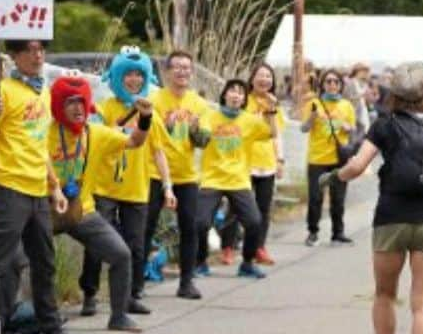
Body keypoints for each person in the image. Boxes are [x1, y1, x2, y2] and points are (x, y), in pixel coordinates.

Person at [320, 62, 423, 334]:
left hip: (391, 215)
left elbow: (357, 166)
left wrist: (334, 177)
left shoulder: (384, 126)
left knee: (385, 293)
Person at [0, 40, 89, 334]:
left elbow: (39, 146)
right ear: (14, 56)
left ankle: (50, 332)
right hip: (9, 187)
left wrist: (53, 186)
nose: (38, 55)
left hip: (38, 189)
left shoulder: (40, 91)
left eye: (42, 50)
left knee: (44, 262)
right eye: (30, 50)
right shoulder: (2, 92)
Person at [48, 74, 151, 333]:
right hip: (44, 208)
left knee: (121, 254)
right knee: (18, 260)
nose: (77, 108)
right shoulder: (44, 132)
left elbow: (134, 141)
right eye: (70, 102)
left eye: (82, 102)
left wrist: (146, 118)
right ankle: (9, 320)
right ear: (58, 106)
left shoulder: (97, 133)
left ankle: (118, 316)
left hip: (82, 209)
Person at [79, 47, 177, 317]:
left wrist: (168, 186)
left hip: (136, 187)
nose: (133, 80)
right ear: (118, 76)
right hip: (104, 186)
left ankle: (132, 294)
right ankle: (89, 293)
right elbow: (95, 138)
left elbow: (158, 151)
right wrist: (123, 121)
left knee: (136, 244)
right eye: (128, 75)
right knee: (98, 242)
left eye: (138, 75)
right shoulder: (105, 108)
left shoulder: (150, 113)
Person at [195, 79, 277, 279]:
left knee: (254, 222)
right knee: (201, 223)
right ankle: (200, 262)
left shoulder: (250, 120)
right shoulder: (210, 116)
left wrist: (271, 111)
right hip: (212, 178)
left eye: (240, 93)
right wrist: (195, 128)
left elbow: (271, 133)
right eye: (232, 91)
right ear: (224, 95)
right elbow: (202, 138)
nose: (236, 95)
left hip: (239, 180)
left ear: (244, 99)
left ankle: (247, 264)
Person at [145, 50, 210, 300]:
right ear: (167, 71)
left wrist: (195, 129)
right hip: (153, 173)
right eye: (177, 67)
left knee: (189, 228)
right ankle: (135, 285)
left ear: (191, 72)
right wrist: (169, 123)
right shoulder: (155, 99)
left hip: (186, 175)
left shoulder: (199, 104)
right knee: (146, 227)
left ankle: (186, 282)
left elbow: (203, 141)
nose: (182, 72)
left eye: (187, 68)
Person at [301, 69, 356, 247]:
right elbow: (304, 128)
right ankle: (313, 232)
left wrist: (348, 128)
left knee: (338, 198)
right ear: (322, 84)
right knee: (315, 197)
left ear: (341, 85)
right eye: (328, 81)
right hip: (317, 159)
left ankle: (338, 232)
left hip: (339, 159)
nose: (332, 85)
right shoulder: (314, 104)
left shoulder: (346, 105)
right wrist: (312, 117)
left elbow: (353, 129)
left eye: (336, 82)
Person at [245, 63, 285, 265]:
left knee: (263, 208)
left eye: (268, 76)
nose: (264, 79)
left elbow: (277, 136)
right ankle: (228, 246)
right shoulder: (243, 100)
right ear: (252, 78)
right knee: (238, 208)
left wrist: (280, 160)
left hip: (267, 162)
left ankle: (259, 247)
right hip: (243, 162)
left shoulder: (274, 105)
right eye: (260, 75)